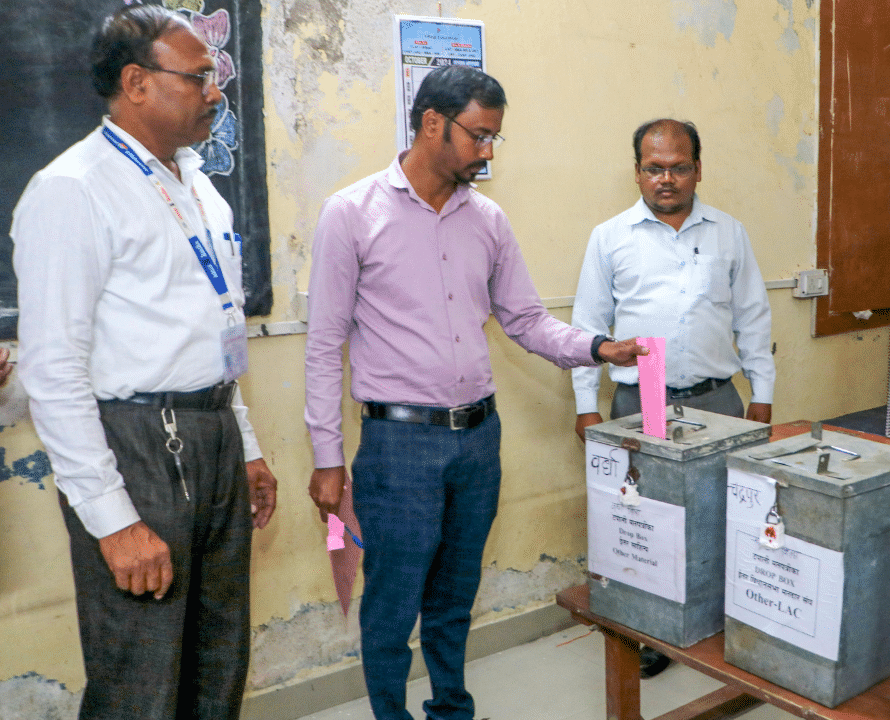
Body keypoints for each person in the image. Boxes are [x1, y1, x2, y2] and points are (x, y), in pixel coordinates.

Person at [303, 65, 646, 720]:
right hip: (398, 444)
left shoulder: (486, 220)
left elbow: (525, 320)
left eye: (495, 139)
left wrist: (597, 347)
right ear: (433, 122)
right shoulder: (351, 214)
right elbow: (323, 345)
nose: (488, 151)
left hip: (477, 442)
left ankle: (451, 710)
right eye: (480, 135)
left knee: (455, 597)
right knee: (392, 604)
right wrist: (326, 457)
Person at [11, 6, 277, 719]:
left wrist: (243, 443)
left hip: (211, 433)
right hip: (135, 445)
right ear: (136, 82)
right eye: (198, 77)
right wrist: (112, 520)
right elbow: (54, 370)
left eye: (216, 77)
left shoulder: (196, 182)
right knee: (142, 676)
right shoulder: (73, 190)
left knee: (218, 659)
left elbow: (212, 328)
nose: (216, 91)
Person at [570, 118, 776, 677]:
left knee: (728, 520)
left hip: (718, 402)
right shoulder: (609, 237)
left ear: (698, 170)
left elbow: (754, 316)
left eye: (679, 167)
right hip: (643, 404)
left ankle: (731, 624)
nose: (667, 178)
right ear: (637, 172)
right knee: (644, 523)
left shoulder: (728, 233)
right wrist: (587, 404)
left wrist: (763, 393)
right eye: (654, 167)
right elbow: (590, 324)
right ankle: (653, 634)